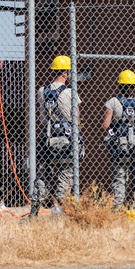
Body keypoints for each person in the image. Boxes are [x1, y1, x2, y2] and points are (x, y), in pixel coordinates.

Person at [30, 55, 80, 217]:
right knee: (66, 172)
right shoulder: (70, 93)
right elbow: (76, 118)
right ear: (65, 73)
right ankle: (60, 205)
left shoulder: (41, 91)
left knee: (42, 172)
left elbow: (43, 116)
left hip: (47, 136)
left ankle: (35, 208)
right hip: (66, 137)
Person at [102, 70, 135, 208]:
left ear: (119, 85)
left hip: (119, 147)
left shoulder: (113, 102)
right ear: (134, 87)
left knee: (120, 179)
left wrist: (113, 128)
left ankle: (118, 206)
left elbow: (105, 125)